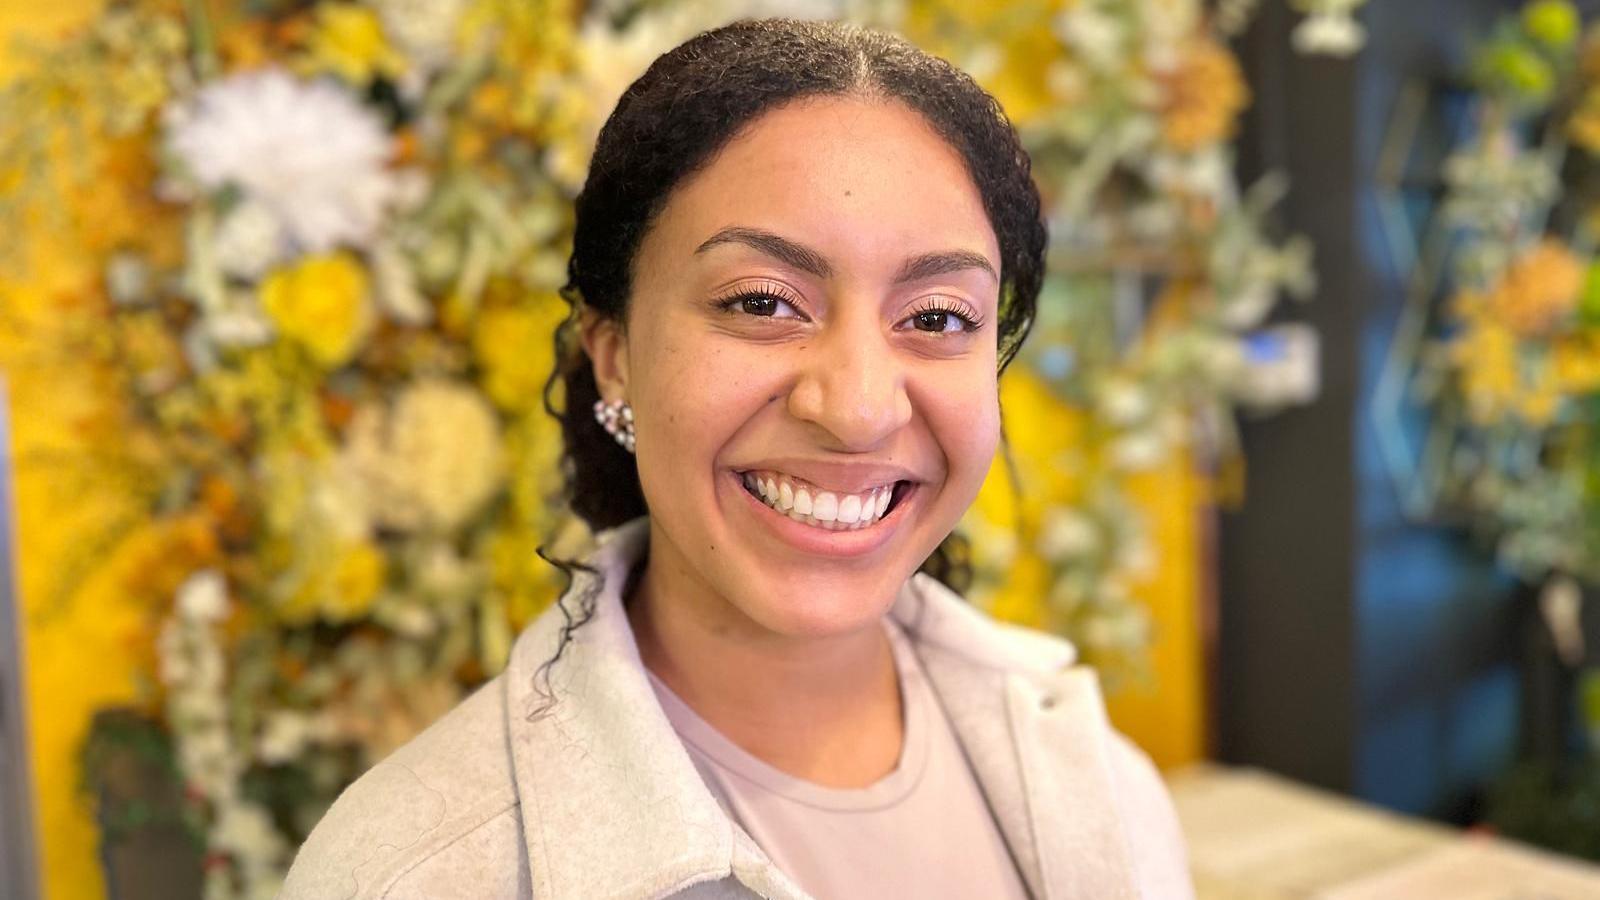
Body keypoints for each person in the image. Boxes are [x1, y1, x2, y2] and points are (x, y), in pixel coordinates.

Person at [283, 17, 1193, 900]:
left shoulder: (1100, 787)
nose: (860, 408)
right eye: (763, 303)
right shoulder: (414, 869)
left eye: (937, 318)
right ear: (615, 355)